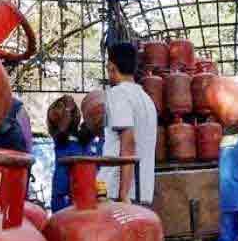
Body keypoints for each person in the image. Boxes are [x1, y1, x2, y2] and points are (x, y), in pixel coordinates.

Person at [97, 42, 157, 204]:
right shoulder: (146, 99)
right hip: (142, 191)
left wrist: (123, 194)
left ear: (111, 67)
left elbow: (128, 141)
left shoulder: (117, 94)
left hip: (117, 192)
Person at [48, 95, 100, 212]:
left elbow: (94, 123)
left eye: (72, 111)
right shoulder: (60, 138)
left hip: (85, 190)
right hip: (64, 192)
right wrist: (68, 108)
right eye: (66, 113)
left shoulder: (83, 137)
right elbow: (62, 128)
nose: (69, 114)